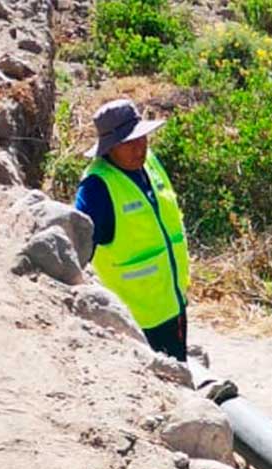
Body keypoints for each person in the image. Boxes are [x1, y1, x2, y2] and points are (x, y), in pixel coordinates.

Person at [73, 99, 192, 361]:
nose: (139, 148)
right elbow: (78, 253)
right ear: (109, 148)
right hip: (136, 323)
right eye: (129, 142)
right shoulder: (96, 189)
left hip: (173, 304)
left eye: (142, 138)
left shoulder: (149, 163)